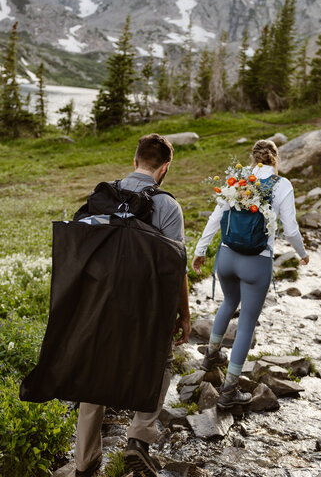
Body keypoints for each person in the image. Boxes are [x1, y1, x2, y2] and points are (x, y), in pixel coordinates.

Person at [74, 133, 191, 477]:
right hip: (147, 307)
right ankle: (138, 439)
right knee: (162, 361)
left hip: (100, 305)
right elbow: (176, 267)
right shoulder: (168, 206)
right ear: (165, 166)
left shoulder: (102, 197)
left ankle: (84, 462)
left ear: (134, 160)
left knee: (94, 374)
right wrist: (183, 314)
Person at [192, 139, 309, 409]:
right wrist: (301, 254)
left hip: (226, 257)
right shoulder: (282, 185)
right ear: (274, 159)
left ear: (252, 158)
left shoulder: (237, 180)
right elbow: (290, 230)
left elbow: (215, 218)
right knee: (246, 322)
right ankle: (229, 390)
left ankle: (210, 356)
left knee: (229, 302)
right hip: (257, 262)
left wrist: (200, 250)